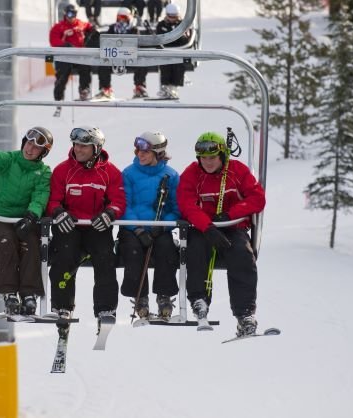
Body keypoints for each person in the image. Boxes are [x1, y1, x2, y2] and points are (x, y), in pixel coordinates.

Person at [176, 132, 266, 337]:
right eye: (203, 158)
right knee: (196, 250)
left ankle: (245, 313)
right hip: (202, 228)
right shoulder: (192, 173)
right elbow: (186, 205)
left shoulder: (237, 171)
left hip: (232, 226)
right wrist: (207, 227)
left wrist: (230, 215)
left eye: (212, 158)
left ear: (222, 155)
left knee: (242, 255)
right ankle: (199, 300)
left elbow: (257, 199)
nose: (207, 162)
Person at [0, 127, 54, 316]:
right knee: (8, 243)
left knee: (31, 245)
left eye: (36, 148)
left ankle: (29, 294)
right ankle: (9, 292)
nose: (30, 149)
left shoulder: (43, 172)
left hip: (22, 221)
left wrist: (31, 216)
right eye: (28, 143)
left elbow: (40, 195)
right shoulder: (10, 160)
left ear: (42, 153)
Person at [46, 126, 126, 326]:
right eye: (76, 145)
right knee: (63, 256)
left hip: (96, 225)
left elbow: (118, 200)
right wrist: (58, 212)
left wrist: (110, 213)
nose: (78, 150)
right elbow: (53, 200)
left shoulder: (110, 172)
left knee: (105, 258)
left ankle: (105, 308)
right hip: (69, 224)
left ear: (96, 148)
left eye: (84, 146)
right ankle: (62, 306)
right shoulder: (62, 170)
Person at [119, 131, 180, 319]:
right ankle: (140, 297)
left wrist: (163, 226)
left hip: (158, 226)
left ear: (158, 153)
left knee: (166, 247)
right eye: (138, 150)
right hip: (132, 228)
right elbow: (124, 205)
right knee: (133, 250)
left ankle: (164, 295)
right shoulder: (129, 173)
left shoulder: (171, 176)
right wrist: (137, 228)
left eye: (145, 151)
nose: (140, 155)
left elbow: (176, 209)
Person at [92, 7, 149, 100]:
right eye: (119, 18)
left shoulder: (133, 30)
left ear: (129, 18)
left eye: (124, 18)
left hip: (129, 57)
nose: (121, 20)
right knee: (103, 63)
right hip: (114, 56)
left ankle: (140, 87)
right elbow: (106, 42)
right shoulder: (112, 28)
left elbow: (137, 45)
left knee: (142, 62)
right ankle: (106, 89)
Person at [49, 4, 95, 102]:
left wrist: (91, 31)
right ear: (65, 14)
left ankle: (84, 89)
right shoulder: (59, 27)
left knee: (85, 66)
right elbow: (53, 41)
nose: (72, 17)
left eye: (74, 14)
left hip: (79, 55)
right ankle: (59, 95)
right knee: (63, 72)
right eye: (69, 14)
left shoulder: (80, 24)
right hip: (66, 57)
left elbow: (89, 27)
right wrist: (66, 44)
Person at [155, 3, 194, 99]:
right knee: (165, 66)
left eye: (174, 17)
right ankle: (165, 87)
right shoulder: (161, 25)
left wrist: (178, 36)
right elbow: (160, 38)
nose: (172, 19)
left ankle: (174, 88)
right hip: (166, 52)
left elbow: (185, 39)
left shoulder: (183, 25)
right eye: (170, 16)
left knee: (178, 66)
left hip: (179, 51)